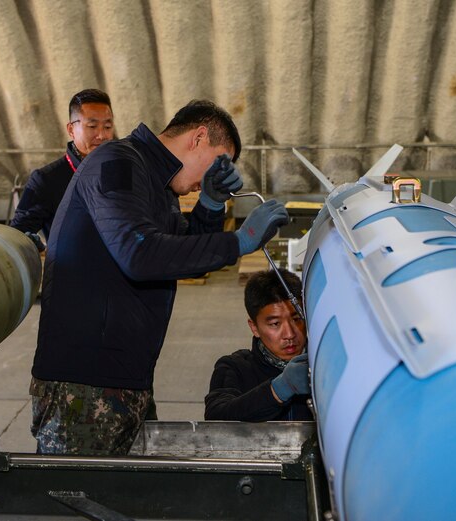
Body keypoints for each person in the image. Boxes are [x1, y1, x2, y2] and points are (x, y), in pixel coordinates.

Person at [29, 99, 290, 455]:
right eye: (219, 161)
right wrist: (237, 241)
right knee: (75, 498)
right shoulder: (117, 163)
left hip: (125, 379)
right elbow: (138, 254)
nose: (206, 180)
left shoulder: (156, 184)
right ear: (198, 137)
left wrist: (210, 206)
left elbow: (180, 254)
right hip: (84, 384)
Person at [204, 268, 313, 421]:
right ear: (254, 327)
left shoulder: (325, 365)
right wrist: (279, 389)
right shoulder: (235, 367)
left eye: (296, 319)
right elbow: (216, 416)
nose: (289, 334)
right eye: (275, 323)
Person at [10, 88, 114, 240]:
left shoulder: (121, 170)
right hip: (72, 263)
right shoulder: (46, 180)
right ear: (71, 129)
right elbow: (17, 235)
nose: (102, 135)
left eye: (107, 127)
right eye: (92, 126)